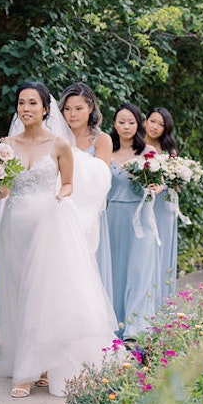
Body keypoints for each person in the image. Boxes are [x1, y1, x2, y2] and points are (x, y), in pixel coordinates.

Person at [0, 82, 117, 398]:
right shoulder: (4, 145)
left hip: (47, 223)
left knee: (40, 291)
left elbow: (69, 183)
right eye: (21, 102)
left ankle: (29, 373)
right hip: (16, 224)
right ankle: (30, 360)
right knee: (19, 290)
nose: (26, 108)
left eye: (33, 102)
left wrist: (61, 194)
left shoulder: (58, 144)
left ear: (46, 108)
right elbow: (4, 189)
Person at [106, 102, 159, 341]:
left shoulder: (147, 151)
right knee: (116, 270)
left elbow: (162, 179)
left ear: (138, 124)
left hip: (141, 217)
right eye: (121, 122)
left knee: (139, 270)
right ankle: (114, 323)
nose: (126, 126)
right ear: (114, 124)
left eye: (131, 122)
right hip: (113, 216)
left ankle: (135, 327)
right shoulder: (106, 151)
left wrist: (156, 188)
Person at [59, 82, 114, 296]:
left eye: (78, 108)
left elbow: (102, 179)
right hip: (61, 209)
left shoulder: (101, 140)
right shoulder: (58, 139)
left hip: (88, 213)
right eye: (68, 109)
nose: (72, 114)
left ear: (90, 108)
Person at [145, 107, 181, 303]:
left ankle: (161, 299)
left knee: (162, 247)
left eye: (161, 124)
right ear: (145, 121)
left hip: (163, 206)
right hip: (143, 202)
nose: (155, 127)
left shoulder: (169, 151)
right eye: (153, 121)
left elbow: (174, 181)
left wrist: (169, 183)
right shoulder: (136, 145)